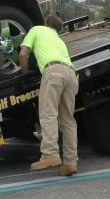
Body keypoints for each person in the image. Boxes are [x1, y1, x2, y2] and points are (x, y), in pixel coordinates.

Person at [19, 14, 79, 176]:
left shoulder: (36, 29)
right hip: (71, 74)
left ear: (45, 23)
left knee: (48, 114)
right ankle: (71, 162)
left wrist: (25, 73)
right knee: (68, 121)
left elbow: (23, 54)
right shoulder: (59, 40)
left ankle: (50, 154)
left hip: (53, 72)